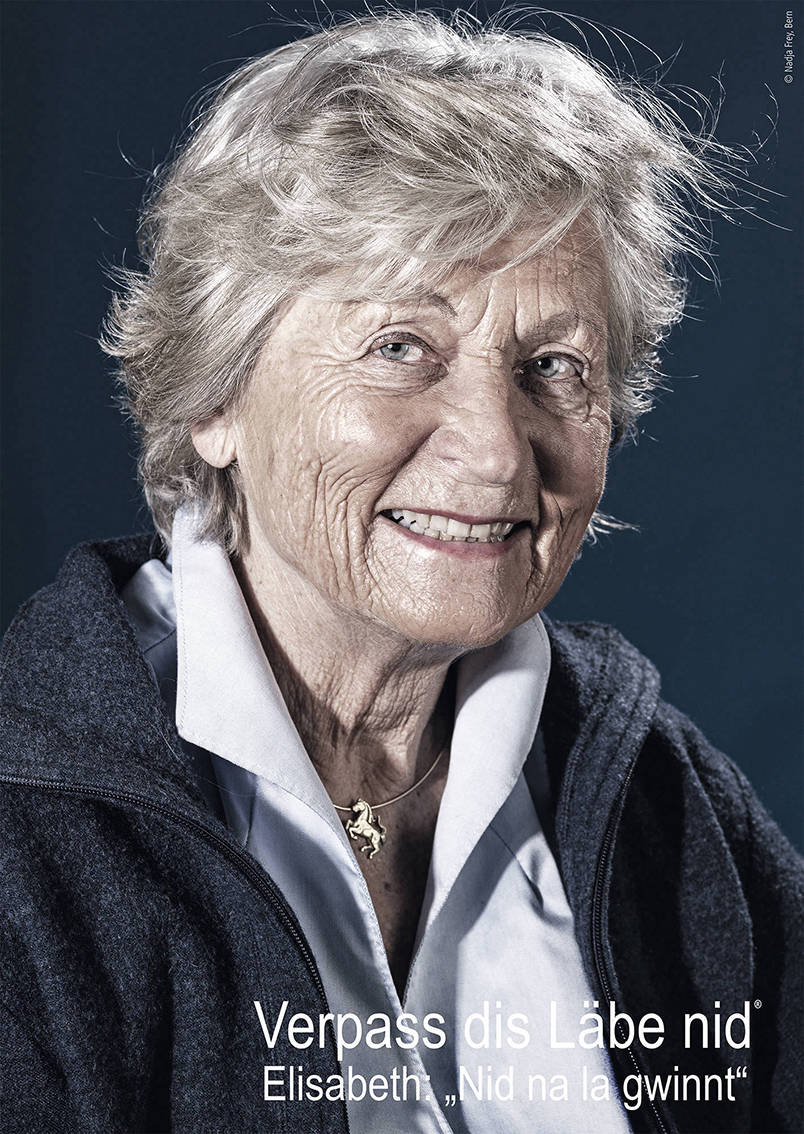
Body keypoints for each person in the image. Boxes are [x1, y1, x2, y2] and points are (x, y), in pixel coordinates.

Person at [1, 12, 801, 1134]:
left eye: (553, 366)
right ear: (214, 397)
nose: (496, 450)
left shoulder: (671, 801)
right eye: (399, 348)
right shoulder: (25, 838)